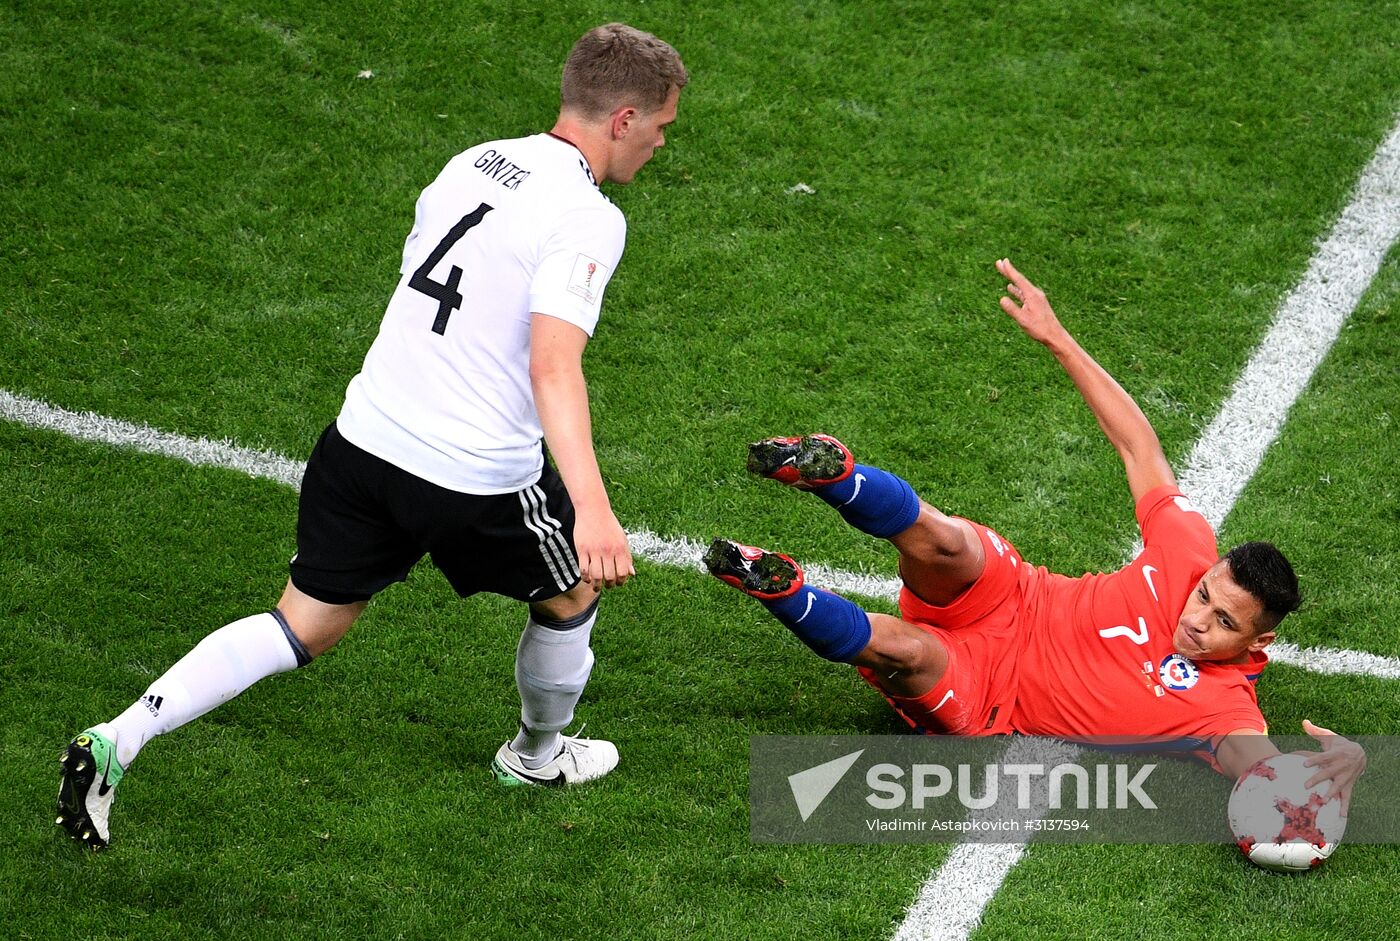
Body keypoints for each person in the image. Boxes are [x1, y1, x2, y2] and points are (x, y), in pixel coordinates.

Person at [56, 23, 688, 850]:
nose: (662, 143)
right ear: (623, 118)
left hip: (361, 443)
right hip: (474, 475)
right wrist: (595, 512)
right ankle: (536, 755)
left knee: (302, 623)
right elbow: (554, 366)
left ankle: (121, 734)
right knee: (572, 592)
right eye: (662, 125)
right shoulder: (589, 215)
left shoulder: (474, 159)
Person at [704, 258, 1366, 807]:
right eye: (1205, 598)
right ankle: (832, 472)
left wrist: (1330, 769)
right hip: (1012, 595)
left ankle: (776, 585)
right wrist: (1058, 337)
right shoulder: (1189, 550)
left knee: (905, 650)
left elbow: (1262, 768)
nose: (1199, 619)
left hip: (993, 689)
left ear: (1259, 641)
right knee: (946, 540)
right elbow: (1139, 446)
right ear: (1210, 569)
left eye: (1224, 622)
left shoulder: (1225, 711)